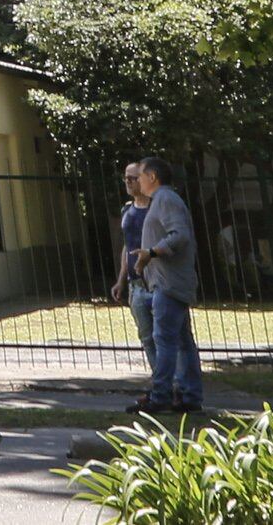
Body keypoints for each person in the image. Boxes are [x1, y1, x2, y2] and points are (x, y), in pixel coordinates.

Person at [135, 155, 204, 414]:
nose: (138, 181)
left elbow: (180, 236)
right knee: (182, 341)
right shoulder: (164, 199)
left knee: (164, 340)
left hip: (169, 284)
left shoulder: (164, 199)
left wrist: (151, 253)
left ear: (152, 177)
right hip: (169, 283)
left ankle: (161, 396)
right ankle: (190, 396)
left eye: (140, 175)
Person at [108, 161, 158, 394]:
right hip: (134, 284)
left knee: (166, 335)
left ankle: (174, 381)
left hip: (157, 281)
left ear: (145, 179)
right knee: (146, 335)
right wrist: (121, 279)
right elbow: (126, 247)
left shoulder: (157, 207)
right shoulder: (127, 210)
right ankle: (159, 378)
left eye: (133, 178)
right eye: (125, 179)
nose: (128, 183)